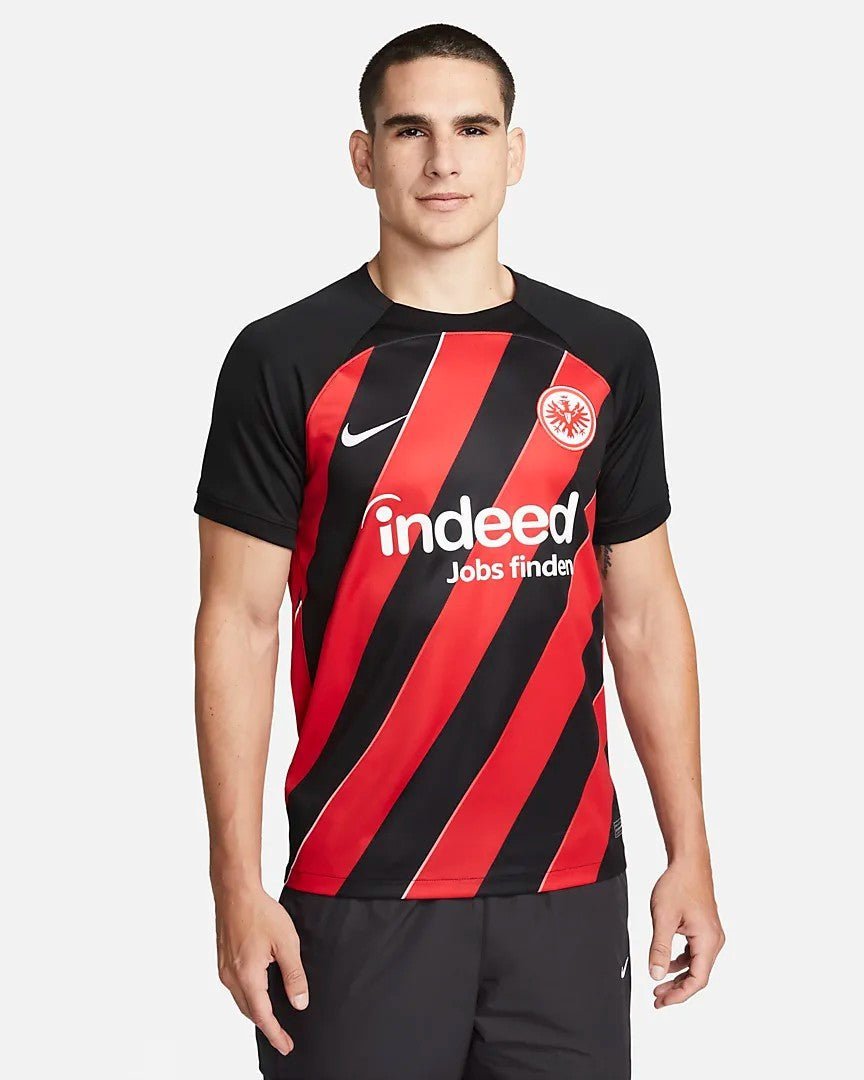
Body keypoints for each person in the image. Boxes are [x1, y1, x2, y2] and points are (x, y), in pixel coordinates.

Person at [193, 22, 724, 1080]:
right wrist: (235, 887)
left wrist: (690, 849)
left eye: (474, 129)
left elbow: (644, 616)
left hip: (566, 886)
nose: (444, 159)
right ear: (364, 155)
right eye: (411, 130)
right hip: (358, 891)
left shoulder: (604, 355)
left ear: (514, 154)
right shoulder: (285, 359)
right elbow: (239, 626)